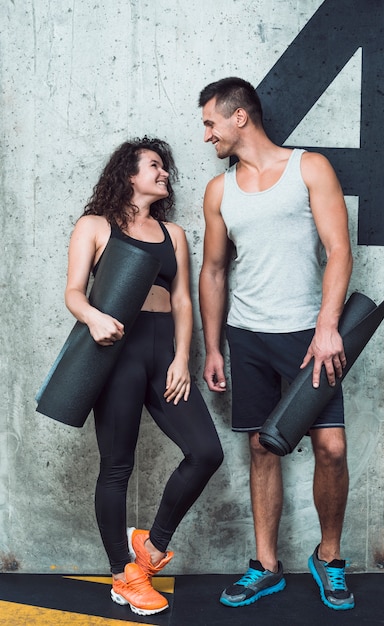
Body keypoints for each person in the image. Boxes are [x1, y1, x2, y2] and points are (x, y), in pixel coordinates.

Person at [198, 77, 354, 611]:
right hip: (248, 334)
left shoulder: (309, 168)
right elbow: (214, 271)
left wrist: (328, 325)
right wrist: (214, 346)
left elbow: (339, 250)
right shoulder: (220, 191)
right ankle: (266, 565)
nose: (206, 135)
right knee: (263, 447)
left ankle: (329, 557)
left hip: (310, 335)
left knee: (330, 448)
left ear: (239, 116)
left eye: (209, 122)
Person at [64, 137, 223, 617]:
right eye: (155, 166)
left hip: (162, 353)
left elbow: (181, 301)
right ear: (128, 174)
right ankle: (121, 574)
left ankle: (151, 549)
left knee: (205, 452)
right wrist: (92, 317)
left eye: (165, 169)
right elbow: (73, 292)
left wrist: (182, 357)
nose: (165, 175)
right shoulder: (94, 226)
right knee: (117, 466)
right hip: (114, 353)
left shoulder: (173, 234)